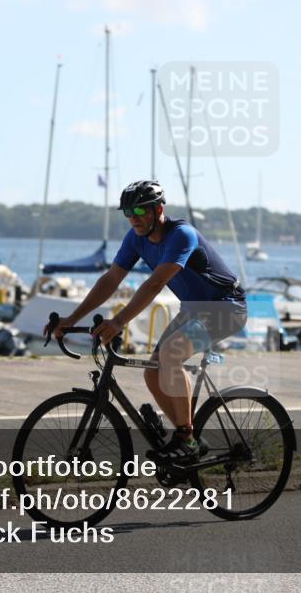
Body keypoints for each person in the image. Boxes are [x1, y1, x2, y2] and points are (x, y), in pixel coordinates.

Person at [46, 180, 247, 463]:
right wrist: (70, 319)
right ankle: (186, 440)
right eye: (128, 213)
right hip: (193, 310)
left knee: (170, 354)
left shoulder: (182, 235)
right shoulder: (135, 238)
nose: (133, 218)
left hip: (227, 309)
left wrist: (117, 322)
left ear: (158, 209)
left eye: (139, 211)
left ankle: (186, 438)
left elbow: (155, 284)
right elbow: (110, 280)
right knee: (152, 372)